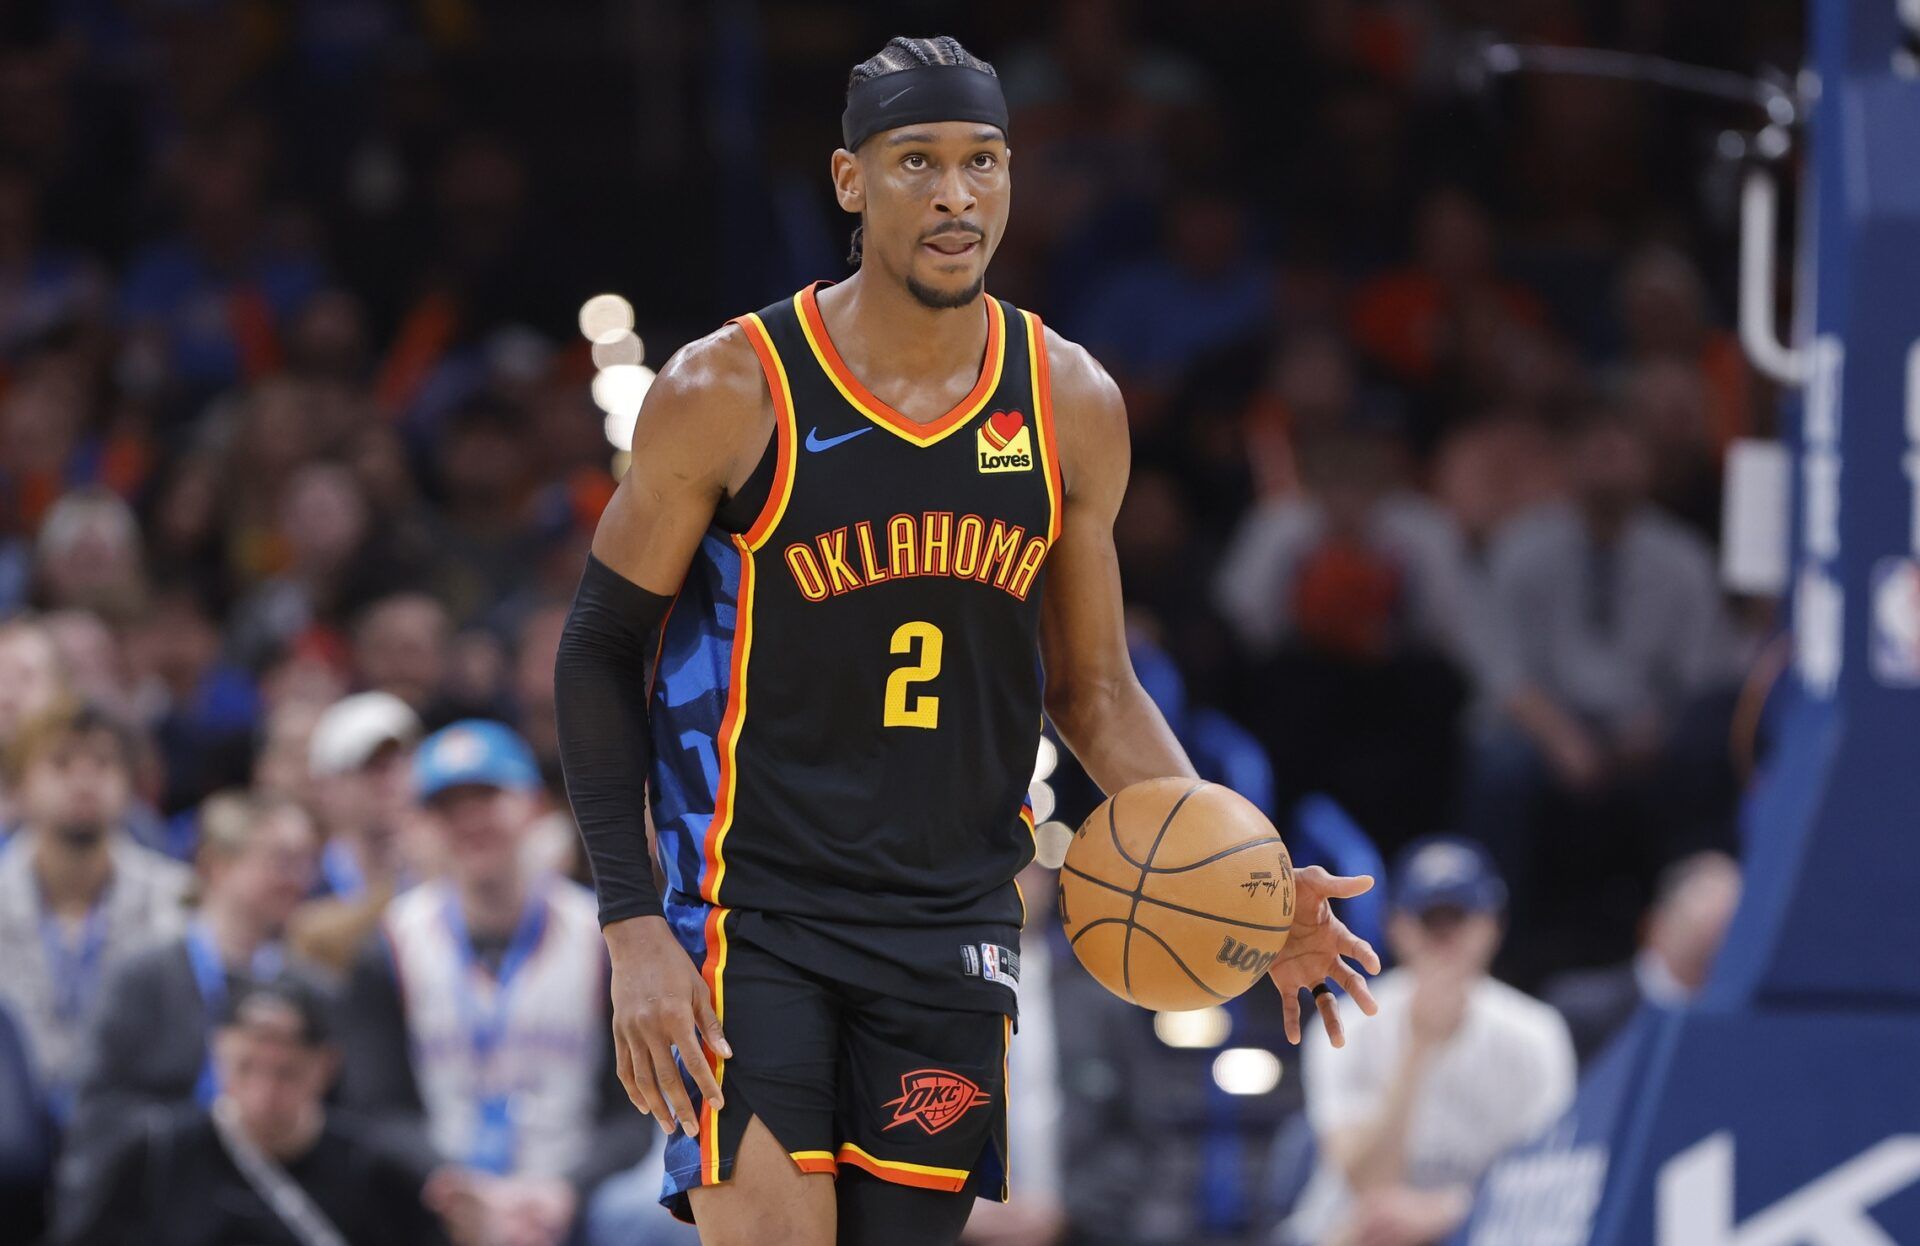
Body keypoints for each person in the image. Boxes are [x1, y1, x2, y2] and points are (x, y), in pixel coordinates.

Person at [551, 34, 1381, 1246]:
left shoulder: (1068, 400)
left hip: (950, 919)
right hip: (750, 912)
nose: (955, 197)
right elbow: (594, 648)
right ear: (850, 182)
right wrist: (632, 927)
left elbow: (1093, 689)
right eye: (917, 164)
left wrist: (1240, 880)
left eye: (984, 163)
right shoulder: (732, 386)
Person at [340, 719, 650, 1246]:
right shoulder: (388, 946)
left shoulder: (604, 937)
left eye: (487, 797)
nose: (469, 821)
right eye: (447, 807)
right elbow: (378, 1107)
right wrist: (453, 1186)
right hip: (442, 1198)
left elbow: (633, 1112)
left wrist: (566, 1191)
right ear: (420, 824)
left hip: (577, 1199)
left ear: (533, 806)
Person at [1281, 838, 1576, 1246]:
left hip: (1480, 1227)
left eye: (1459, 919)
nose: (1444, 938)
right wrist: (1419, 1045)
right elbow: (1366, 1183)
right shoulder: (1347, 1021)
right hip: (1354, 1227)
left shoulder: (1537, 1032)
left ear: (1493, 925)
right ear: (1397, 927)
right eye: (1429, 921)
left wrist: (1447, 1212)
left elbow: (1546, 1175)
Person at [59, 792, 321, 1224]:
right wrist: (207, 1127)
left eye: (305, 861)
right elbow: (95, 1113)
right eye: (279, 860)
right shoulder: (143, 977)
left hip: (274, 1200)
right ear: (216, 864)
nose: (295, 878)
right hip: (159, 1198)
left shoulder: (309, 989)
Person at [58, 973, 453, 1246]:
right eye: (246, 1068)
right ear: (218, 1056)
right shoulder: (157, 1154)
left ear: (326, 1067)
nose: (264, 1094)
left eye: (287, 1074)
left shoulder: (372, 1168)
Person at [0, 700, 191, 1115]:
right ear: (18, 786)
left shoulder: (177, 897)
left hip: (131, 1121)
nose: (84, 780)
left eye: (103, 764)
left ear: (130, 786)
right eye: (61, 763)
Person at [1543, 850, 1742, 1065]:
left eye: (1725, 933)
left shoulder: (1738, 1027)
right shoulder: (1581, 1012)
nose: (1714, 946)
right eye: (1702, 930)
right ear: (1653, 925)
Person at [286, 690, 424, 975]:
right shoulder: (298, 882)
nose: (393, 780)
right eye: (372, 767)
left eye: (403, 761)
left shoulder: (449, 875)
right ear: (326, 787)